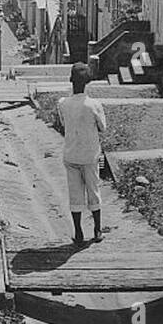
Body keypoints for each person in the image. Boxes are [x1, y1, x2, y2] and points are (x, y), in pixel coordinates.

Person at [57, 62, 107, 247]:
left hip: (70, 153)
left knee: (75, 193)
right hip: (91, 154)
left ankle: (78, 231)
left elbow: (63, 124)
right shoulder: (94, 104)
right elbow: (103, 127)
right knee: (94, 190)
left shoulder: (63, 103)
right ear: (88, 82)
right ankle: (97, 229)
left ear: (71, 81)